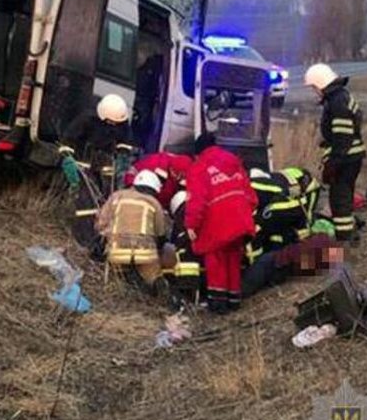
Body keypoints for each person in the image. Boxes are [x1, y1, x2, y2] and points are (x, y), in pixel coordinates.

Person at [184, 132, 257, 313]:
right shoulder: (233, 161)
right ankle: (234, 300)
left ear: (198, 152)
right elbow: (251, 196)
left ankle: (218, 304)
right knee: (233, 258)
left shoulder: (199, 167)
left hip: (218, 221)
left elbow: (197, 201)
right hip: (241, 219)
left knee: (215, 260)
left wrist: (191, 225)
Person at [58, 94, 138, 246]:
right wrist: (68, 159)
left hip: (106, 163)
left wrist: (123, 157)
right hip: (84, 162)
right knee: (86, 201)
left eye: (117, 123)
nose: (114, 125)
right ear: (102, 116)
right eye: (111, 122)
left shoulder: (121, 121)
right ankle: (85, 239)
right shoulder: (86, 120)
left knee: (108, 201)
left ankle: (103, 237)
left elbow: (125, 142)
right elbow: (67, 142)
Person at [304, 63, 366, 242]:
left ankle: (344, 237)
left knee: (339, 198)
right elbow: (344, 131)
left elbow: (342, 137)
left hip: (346, 158)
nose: (314, 91)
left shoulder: (337, 102)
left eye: (314, 87)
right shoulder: (340, 97)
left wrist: (332, 164)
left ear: (320, 83)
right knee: (344, 196)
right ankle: (348, 231)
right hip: (351, 156)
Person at [95, 170, 170, 293]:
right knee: (152, 274)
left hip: (116, 250)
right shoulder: (154, 203)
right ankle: (158, 292)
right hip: (145, 253)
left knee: (119, 273)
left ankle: (123, 288)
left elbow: (101, 223)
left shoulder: (116, 196)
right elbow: (160, 232)